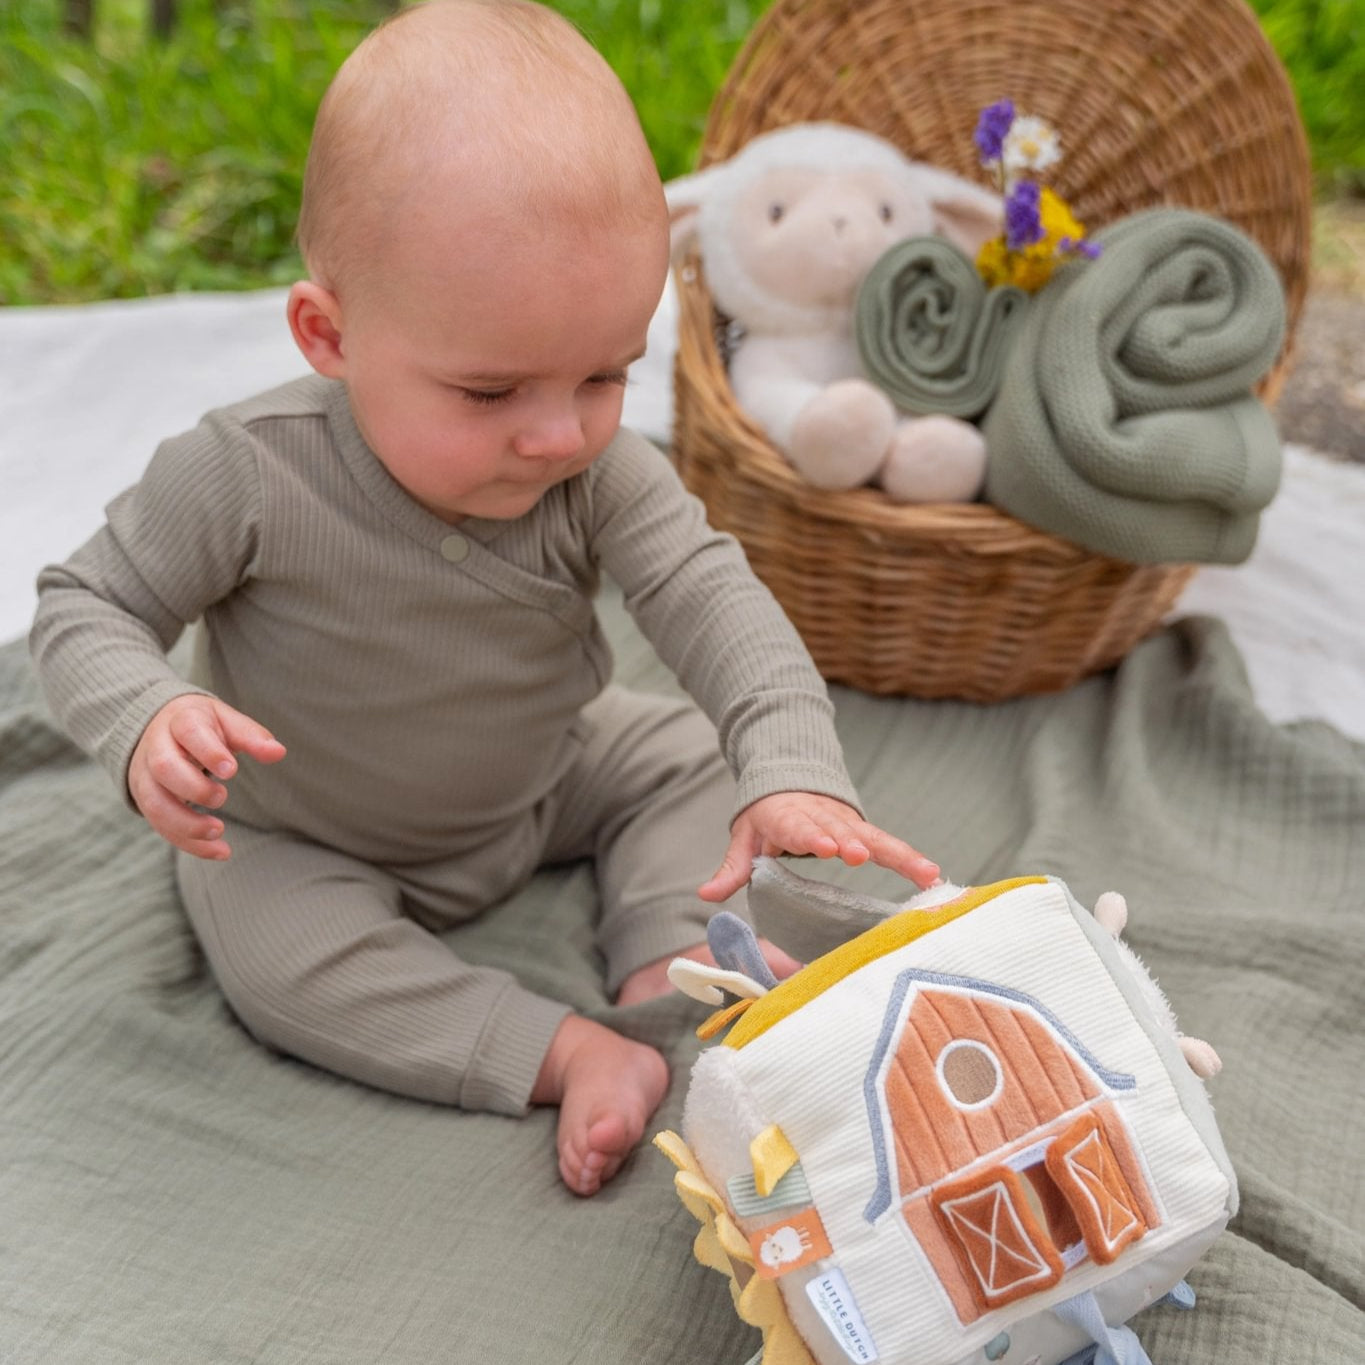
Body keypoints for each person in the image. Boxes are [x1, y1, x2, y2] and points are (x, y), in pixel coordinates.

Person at [29, 0, 939, 1197]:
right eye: (490, 390)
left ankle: (668, 952)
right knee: (276, 955)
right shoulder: (248, 473)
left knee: (681, 758)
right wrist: (146, 715)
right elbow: (82, 604)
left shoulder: (597, 470)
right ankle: (556, 1050)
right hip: (306, 828)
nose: (556, 434)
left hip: (544, 775)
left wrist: (789, 767)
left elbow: (713, 598)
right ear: (330, 335)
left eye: (605, 374)